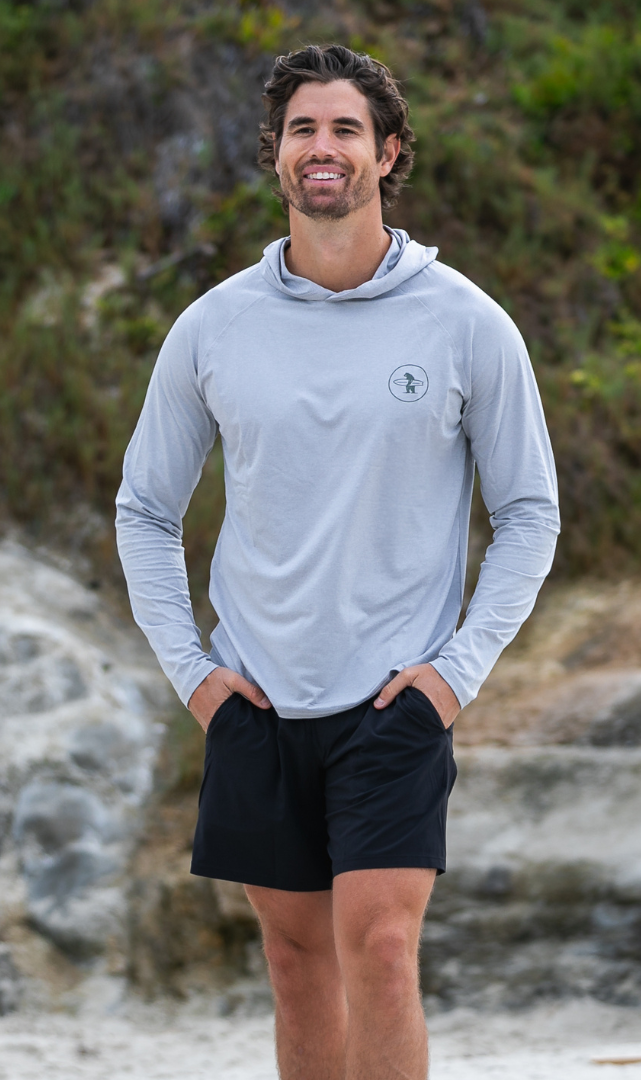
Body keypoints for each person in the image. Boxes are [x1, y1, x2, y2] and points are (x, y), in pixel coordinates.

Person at [116, 43, 559, 1080]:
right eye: (304, 128)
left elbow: (530, 511)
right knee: (297, 958)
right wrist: (196, 678)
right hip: (255, 703)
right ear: (277, 154)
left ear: (388, 152)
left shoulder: (464, 322)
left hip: (393, 706)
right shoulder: (213, 326)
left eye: (347, 129)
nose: (325, 148)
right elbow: (144, 508)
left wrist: (454, 675)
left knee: (383, 947)